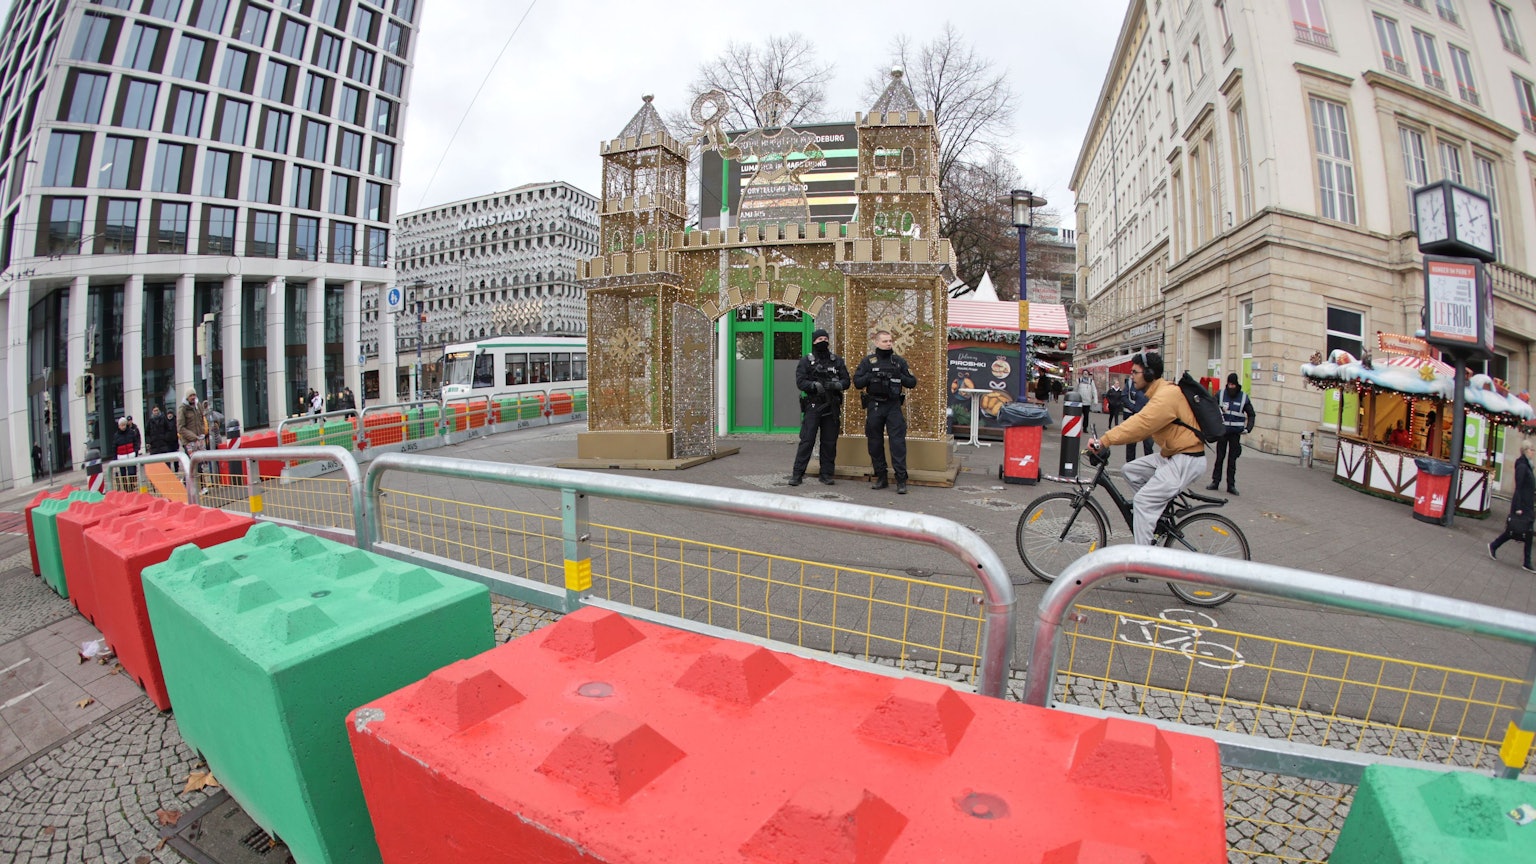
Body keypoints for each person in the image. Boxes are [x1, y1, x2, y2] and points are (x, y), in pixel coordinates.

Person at [1087, 352, 1208, 546]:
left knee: (1143, 501)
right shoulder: (1158, 394)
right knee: (1130, 470)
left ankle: (1143, 557)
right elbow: (1141, 423)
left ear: (1150, 374)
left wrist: (1104, 441)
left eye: (1135, 372)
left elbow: (1141, 425)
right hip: (1171, 456)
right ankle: (1156, 514)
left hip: (1186, 459)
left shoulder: (1166, 396)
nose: (1131, 376)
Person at [853, 329, 917, 494]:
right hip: (875, 405)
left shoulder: (898, 362)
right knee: (874, 443)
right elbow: (857, 382)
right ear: (876, 342)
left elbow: (912, 382)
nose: (889, 344)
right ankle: (881, 476)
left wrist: (898, 375)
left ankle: (901, 480)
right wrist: (872, 375)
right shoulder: (869, 362)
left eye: (890, 341)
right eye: (885, 341)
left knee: (897, 443)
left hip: (893, 406)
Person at [789, 329, 851, 487]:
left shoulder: (836, 361)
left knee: (829, 442)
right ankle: (797, 474)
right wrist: (813, 386)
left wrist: (837, 385)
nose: (823, 341)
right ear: (814, 341)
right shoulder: (806, 361)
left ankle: (826, 474)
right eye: (819, 339)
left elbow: (846, 381)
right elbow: (800, 382)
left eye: (825, 338)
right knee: (807, 440)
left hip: (832, 406)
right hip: (813, 405)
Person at [1489, 440, 1536, 573]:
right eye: (1531, 449)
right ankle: (1494, 545)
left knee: (1527, 532)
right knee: (1514, 530)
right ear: (1525, 451)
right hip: (1523, 505)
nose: (1533, 452)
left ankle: (1526, 561)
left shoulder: (1528, 465)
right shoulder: (1522, 466)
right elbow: (1519, 487)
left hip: (1528, 504)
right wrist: (1518, 507)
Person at [1207, 373, 1256, 495]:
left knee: (1232, 460)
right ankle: (1215, 482)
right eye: (1229, 384)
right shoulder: (1221, 394)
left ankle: (1231, 485)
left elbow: (1251, 414)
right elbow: (1211, 408)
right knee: (1220, 458)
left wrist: (1248, 429)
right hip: (1223, 432)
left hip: (1235, 433)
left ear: (1236, 384)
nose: (1231, 387)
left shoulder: (1243, 397)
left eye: (1233, 384)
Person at [1120, 375, 1154, 462]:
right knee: (1131, 444)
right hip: (1133, 417)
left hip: (1148, 418)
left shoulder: (1152, 382)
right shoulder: (1130, 382)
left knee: (1148, 445)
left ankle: (1149, 465)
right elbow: (1124, 396)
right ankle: (1130, 464)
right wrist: (1133, 408)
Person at [112, 416, 139, 490]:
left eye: (124, 425)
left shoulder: (131, 432)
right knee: (123, 475)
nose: (123, 427)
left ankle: (132, 488)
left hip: (131, 456)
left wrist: (135, 452)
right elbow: (114, 447)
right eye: (121, 425)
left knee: (132, 473)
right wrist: (115, 458)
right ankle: (126, 489)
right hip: (121, 457)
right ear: (119, 426)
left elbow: (135, 443)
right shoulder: (116, 436)